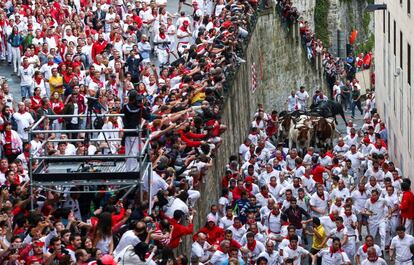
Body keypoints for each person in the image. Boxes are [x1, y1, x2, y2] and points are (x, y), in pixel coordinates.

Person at [121, 90, 150, 171]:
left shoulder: (125, 107)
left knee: (129, 151)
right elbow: (147, 116)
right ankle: (132, 169)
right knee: (133, 151)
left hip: (127, 132)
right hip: (135, 132)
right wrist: (143, 106)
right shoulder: (140, 108)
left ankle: (128, 168)